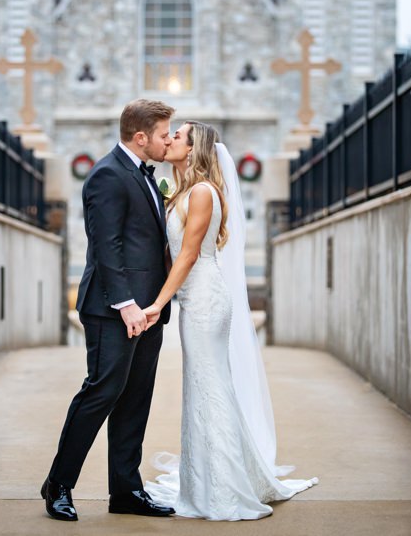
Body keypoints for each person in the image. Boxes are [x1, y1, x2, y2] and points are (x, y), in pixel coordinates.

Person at [143, 121, 318, 520]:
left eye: (177, 136)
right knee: (202, 388)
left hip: (205, 301)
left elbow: (188, 256)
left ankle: (223, 488)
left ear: (193, 149)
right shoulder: (184, 191)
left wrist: (156, 304)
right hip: (194, 301)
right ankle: (205, 479)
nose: (169, 139)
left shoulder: (203, 192)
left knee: (211, 389)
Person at [41, 99, 177, 521]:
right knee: (100, 393)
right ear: (141, 138)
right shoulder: (106, 175)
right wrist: (127, 304)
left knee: (135, 400)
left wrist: (153, 304)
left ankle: (126, 491)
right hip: (113, 310)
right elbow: (106, 246)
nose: (168, 141)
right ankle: (58, 485)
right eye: (163, 135)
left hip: (149, 311)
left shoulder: (145, 176)